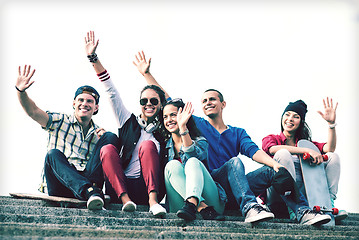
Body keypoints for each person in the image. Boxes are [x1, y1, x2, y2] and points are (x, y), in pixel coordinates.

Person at [132, 51, 332, 225]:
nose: (208, 103)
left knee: (274, 170)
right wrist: (147, 74)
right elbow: (170, 102)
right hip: (211, 182)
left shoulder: (237, 132)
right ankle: (250, 207)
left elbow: (254, 152)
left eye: (212, 99)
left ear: (223, 104)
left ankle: (303, 212)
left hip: (235, 183)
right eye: (204, 101)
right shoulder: (199, 125)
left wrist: (276, 166)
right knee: (233, 163)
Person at [84, 31, 167, 216]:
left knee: (147, 145)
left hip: (147, 188)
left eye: (154, 101)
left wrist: (147, 75)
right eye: (144, 101)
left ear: (161, 105)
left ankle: (153, 201)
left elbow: (173, 103)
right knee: (107, 149)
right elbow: (111, 91)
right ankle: (125, 201)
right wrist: (93, 58)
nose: (148, 104)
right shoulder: (128, 121)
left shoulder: (165, 129)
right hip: (121, 186)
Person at [15, 65, 120, 210]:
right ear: (74, 103)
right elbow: (33, 111)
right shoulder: (59, 121)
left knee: (110, 138)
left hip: (87, 180)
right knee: (53, 154)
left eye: (89, 101)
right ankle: (90, 192)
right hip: (60, 184)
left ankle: (93, 191)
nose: (85, 104)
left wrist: (103, 143)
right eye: (81, 100)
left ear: (96, 108)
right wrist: (21, 91)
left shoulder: (98, 134)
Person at [262, 99, 347, 221]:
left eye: (295, 116)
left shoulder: (306, 144)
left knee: (333, 157)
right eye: (287, 114)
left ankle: (328, 204)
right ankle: (295, 209)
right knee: (283, 153)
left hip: (306, 197)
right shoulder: (272, 139)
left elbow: (330, 148)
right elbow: (272, 149)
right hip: (278, 196)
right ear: (282, 118)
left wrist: (331, 125)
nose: (290, 118)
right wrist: (305, 151)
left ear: (301, 122)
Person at [162, 98, 225, 221]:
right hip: (181, 206)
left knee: (192, 162)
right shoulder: (164, 147)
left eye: (173, 115)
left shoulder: (201, 141)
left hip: (211, 202)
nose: (169, 120)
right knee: (172, 165)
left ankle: (193, 203)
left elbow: (192, 156)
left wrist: (183, 128)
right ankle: (200, 207)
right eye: (165, 117)